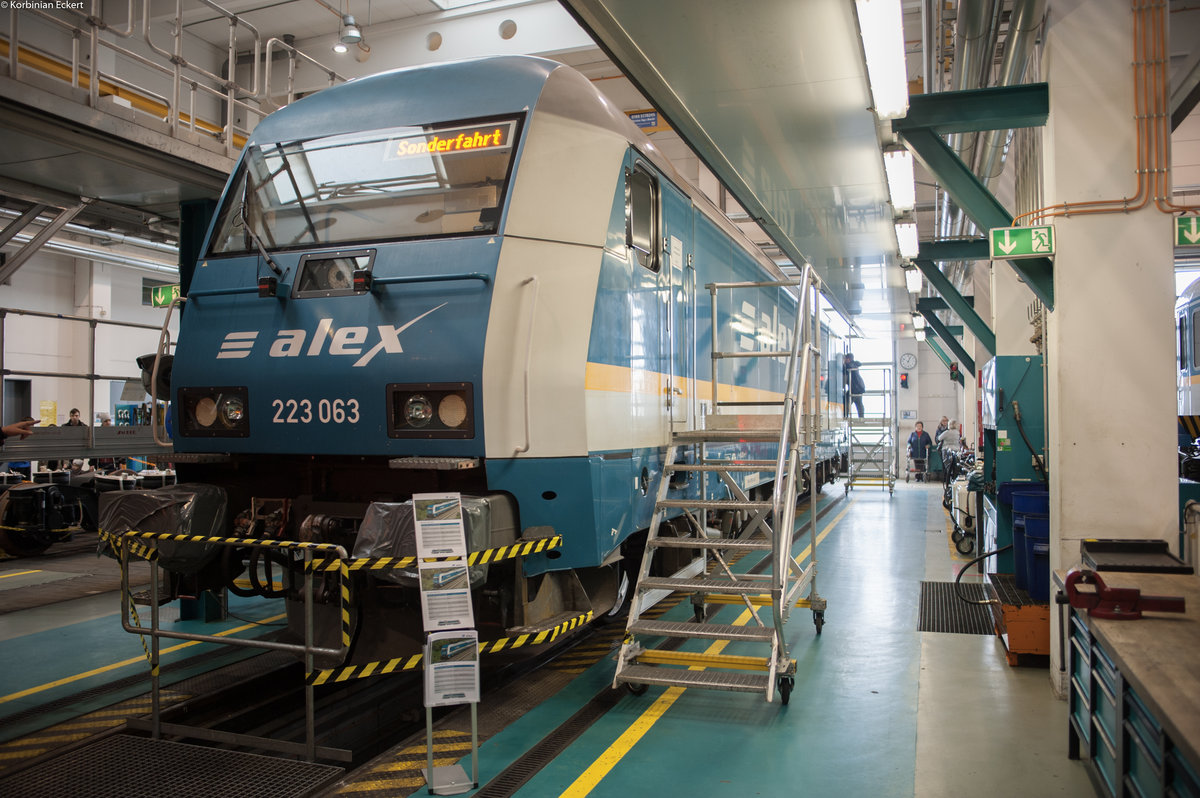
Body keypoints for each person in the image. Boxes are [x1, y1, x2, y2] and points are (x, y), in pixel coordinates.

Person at [842, 353, 865, 418]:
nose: (844, 361)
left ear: (848, 359)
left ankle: (845, 416)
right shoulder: (854, 364)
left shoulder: (851, 365)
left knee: (846, 401)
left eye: (845, 359)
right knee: (859, 404)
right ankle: (861, 418)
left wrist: (844, 365)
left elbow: (848, 367)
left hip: (855, 388)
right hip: (858, 388)